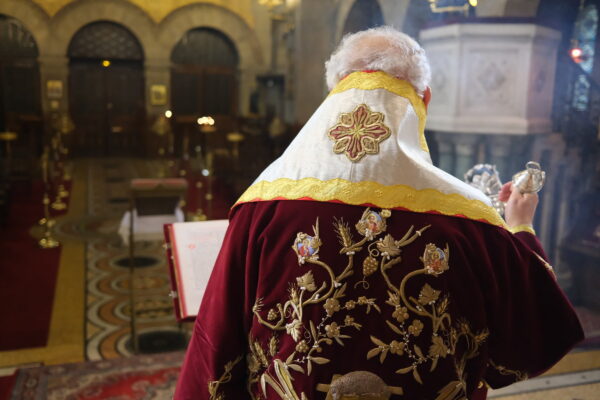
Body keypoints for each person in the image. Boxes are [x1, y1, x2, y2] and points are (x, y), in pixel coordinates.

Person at [174, 26, 583, 400]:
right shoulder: (471, 218)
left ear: (335, 92)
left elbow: (217, 344)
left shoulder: (261, 204)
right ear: (424, 99)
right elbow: (538, 331)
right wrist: (520, 227)